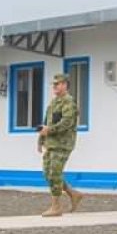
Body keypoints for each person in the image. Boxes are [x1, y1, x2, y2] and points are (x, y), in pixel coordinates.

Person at [36, 73, 83, 217]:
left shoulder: (69, 102)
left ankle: (56, 207)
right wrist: (40, 139)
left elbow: (66, 123)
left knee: (54, 173)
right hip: (51, 143)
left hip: (63, 144)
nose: (55, 87)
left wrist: (49, 130)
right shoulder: (53, 103)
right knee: (47, 174)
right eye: (54, 84)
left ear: (65, 85)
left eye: (57, 84)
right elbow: (46, 124)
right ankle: (73, 194)